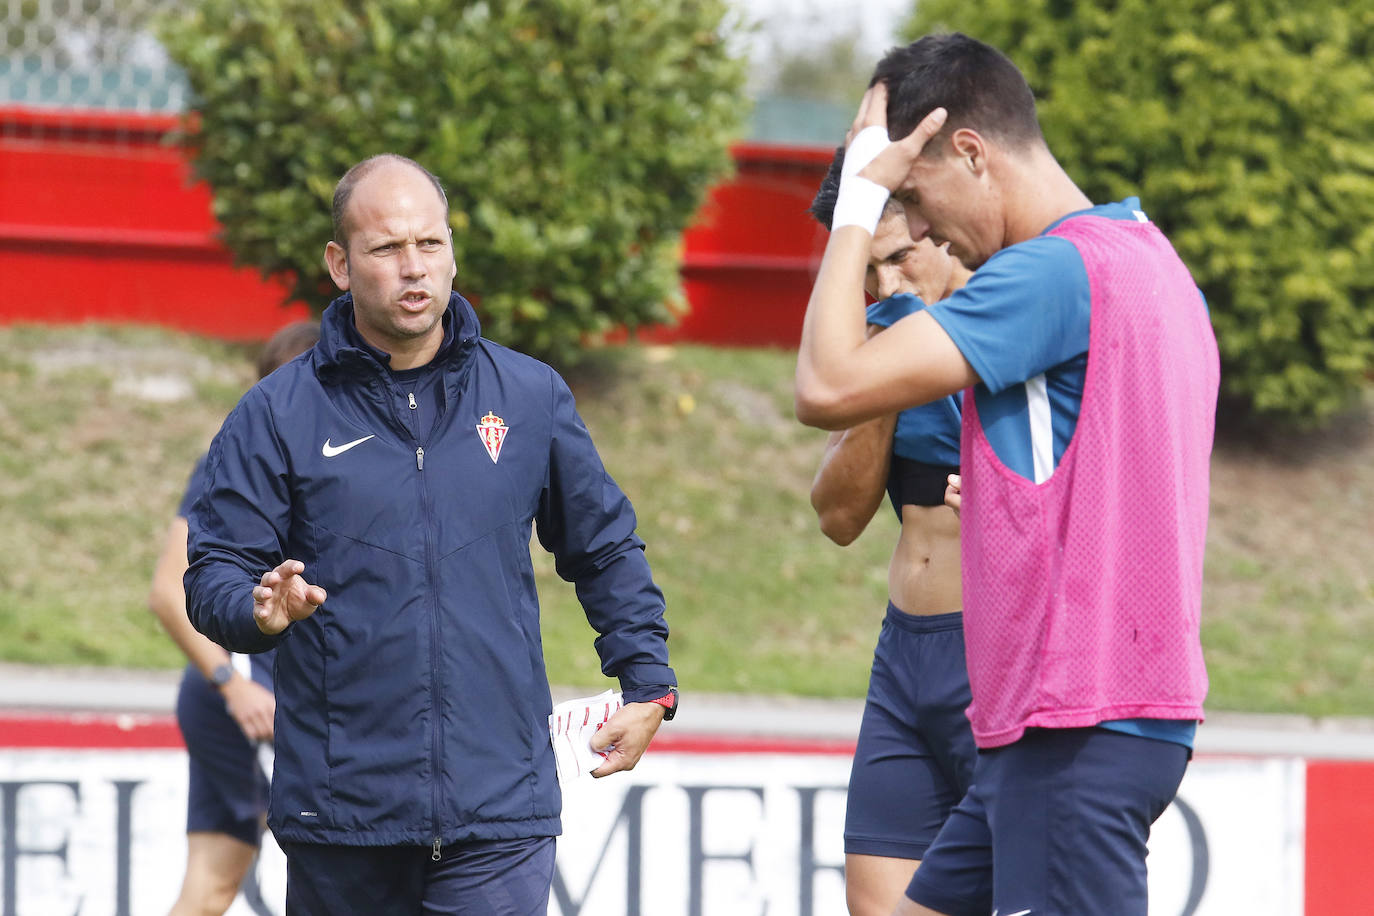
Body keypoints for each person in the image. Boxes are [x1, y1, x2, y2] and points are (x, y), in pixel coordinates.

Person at [183, 153, 678, 915]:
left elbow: (604, 547)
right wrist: (256, 611)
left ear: (452, 252)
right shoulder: (276, 413)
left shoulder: (530, 395)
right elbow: (213, 567)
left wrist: (648, 683)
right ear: (341, 265)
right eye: (386, 248)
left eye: (430, 244)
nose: (413, 267)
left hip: (500, 811)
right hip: (341, 816)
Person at [794, 33, 1218, 916]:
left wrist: (859, 201)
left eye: (914, 196)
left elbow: (827, 385)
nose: (916, 228)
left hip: (1074, 722)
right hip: (1080, 718)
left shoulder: (1049, 272)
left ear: (971, 153)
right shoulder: (1148, 256)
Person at [806, 152, 977, 916]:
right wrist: (887, 381)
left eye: (901, 258)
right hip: (906, 655)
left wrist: (1020, 502)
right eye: (870, 273)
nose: (888, 287)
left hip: (997, 656)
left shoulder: (1016, 325)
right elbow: (837, 518)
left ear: (942, 226)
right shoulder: (881, 338)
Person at [149, 319, 320, 916]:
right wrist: (232, 685)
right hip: (245, 696)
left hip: (279, 693)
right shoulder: (235, 461)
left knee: (213, 888)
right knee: (232, 882)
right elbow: (168, 592)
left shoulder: (341, 460)